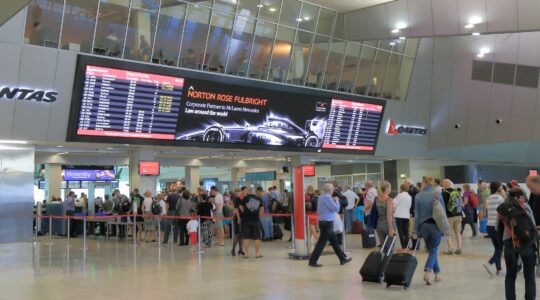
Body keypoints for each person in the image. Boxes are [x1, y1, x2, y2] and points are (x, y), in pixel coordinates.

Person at [497, 188, 537, 300]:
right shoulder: (525, 206)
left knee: (510, 275)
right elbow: (532, 224)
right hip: (527, 243)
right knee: (529, 275)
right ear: (520, 197)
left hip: (510, 244)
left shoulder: (502, 208)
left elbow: (497, 227)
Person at [308, 183, 352, 268]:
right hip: (327, 223)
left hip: (323, 222)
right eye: (332, 189)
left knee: (334, 242)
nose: (333, 191)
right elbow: (336, 209)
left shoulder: (321, 197)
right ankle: (312, 261)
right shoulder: (328, 198)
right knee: (321, 243)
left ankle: (342, 259)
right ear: (330, 190)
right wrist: (337, 201)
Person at [412, 176, 444, 285]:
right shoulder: (437, 194)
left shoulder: (418, 196)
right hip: (436, 226)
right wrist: (446, 228)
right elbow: (442, 213)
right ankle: (427, 271)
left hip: (424, 227)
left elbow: (417, 216)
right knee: (434, 250)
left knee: (432, 250)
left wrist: (415, 231)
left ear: (424, 183)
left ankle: (437, 274)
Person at [483, 181, 504, 276]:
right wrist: (503, 195)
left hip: (489, 226)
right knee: (500, 248)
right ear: (498, 188)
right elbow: (505, 208)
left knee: (497, 248)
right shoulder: (499, 198)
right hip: (497, 226)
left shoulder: (488, 198)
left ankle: (499, 269)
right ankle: (489, 263)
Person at [239, 187, 264, 258]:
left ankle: (246, 253)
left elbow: (240, 207)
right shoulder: (259, 199)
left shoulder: (245, 198)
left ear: (248, 192)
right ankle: (257, 253)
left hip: (246, 220)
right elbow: (262, 210)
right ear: (254, 192)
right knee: (256, 237)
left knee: (246, 237)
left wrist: (245, 212)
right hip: (255, 220)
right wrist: (258, 216)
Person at [441, 179, 463, 255]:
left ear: (445, 185)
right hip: (458, 215)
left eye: (442, 184)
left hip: (449, 216)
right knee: (457, 232)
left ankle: (450, 249)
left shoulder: (444, 193)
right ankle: (459, 248)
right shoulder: (457, 192)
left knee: (447, 233)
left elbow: (442, 205)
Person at [375, 181, 396, 252]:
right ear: (387, 188)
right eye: (390, 187)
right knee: (390, 248)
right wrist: (391, 228)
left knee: (383, 246)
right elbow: (389, 215)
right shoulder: (389, 200)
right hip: (388, 225)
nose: (390, 189)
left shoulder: (376, 199)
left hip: (379, 225)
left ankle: (382, 262)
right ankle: (388, 262)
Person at [394, 183, 412, 252]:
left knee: (400, 232)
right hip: (406, 215)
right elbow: (409, 206)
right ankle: (406, 247)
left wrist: (395, 198)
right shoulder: (409, 197)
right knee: (406, 232)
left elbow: (394, 203)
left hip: (399, 215)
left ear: (401, 188)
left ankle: (403, 247)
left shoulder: (399, 195)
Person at [231, 187, 247, 256]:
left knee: (242, 234)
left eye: (246, 190)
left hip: (245, 217)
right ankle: (233, 249)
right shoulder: (237, 199)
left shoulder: (246, 198)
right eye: (244, 190)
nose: (245, 192)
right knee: (237, 234)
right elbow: (236, 209)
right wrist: (238, 218)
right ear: (241, 191)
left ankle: (240, 249)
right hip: (238, 218)